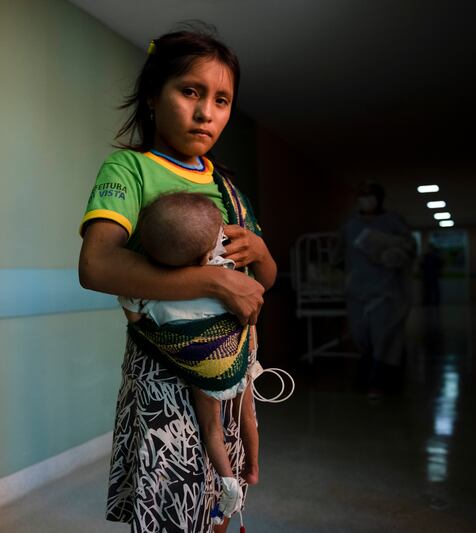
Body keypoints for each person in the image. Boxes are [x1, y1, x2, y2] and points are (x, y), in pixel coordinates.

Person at [78, 27, 277, 533]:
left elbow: (261, 282)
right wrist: (211, 282)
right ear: (152, 96)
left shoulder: (226, 188)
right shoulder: (131, 170)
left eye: (222, 99)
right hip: (162, 375)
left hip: (228, 372)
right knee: (167, 510)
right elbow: (96, 265)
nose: (206, 112)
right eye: (190, 91)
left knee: (217, 502)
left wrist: (263, 253)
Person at [119, 192, 261, 522]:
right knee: (244, 416)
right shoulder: (225, 276)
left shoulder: (149, 290)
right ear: (203, 258)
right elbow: (247, 315)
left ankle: (227, 482)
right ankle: (251, 466)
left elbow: (135, 320)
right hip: (233, 362)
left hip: (200, 372)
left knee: (211, 427)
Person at [338, 180, 415, 398]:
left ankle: (381, 383)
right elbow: (340, 255)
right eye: (361, 195)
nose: (365, 199)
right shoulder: (351, 226)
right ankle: (369, 379)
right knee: (362, 337)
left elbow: (409, 249)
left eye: (369, 195)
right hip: (357, 292)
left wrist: (393, 253)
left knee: (385, 339)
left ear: (379, 198)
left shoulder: (393, 222)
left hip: (387, 292)